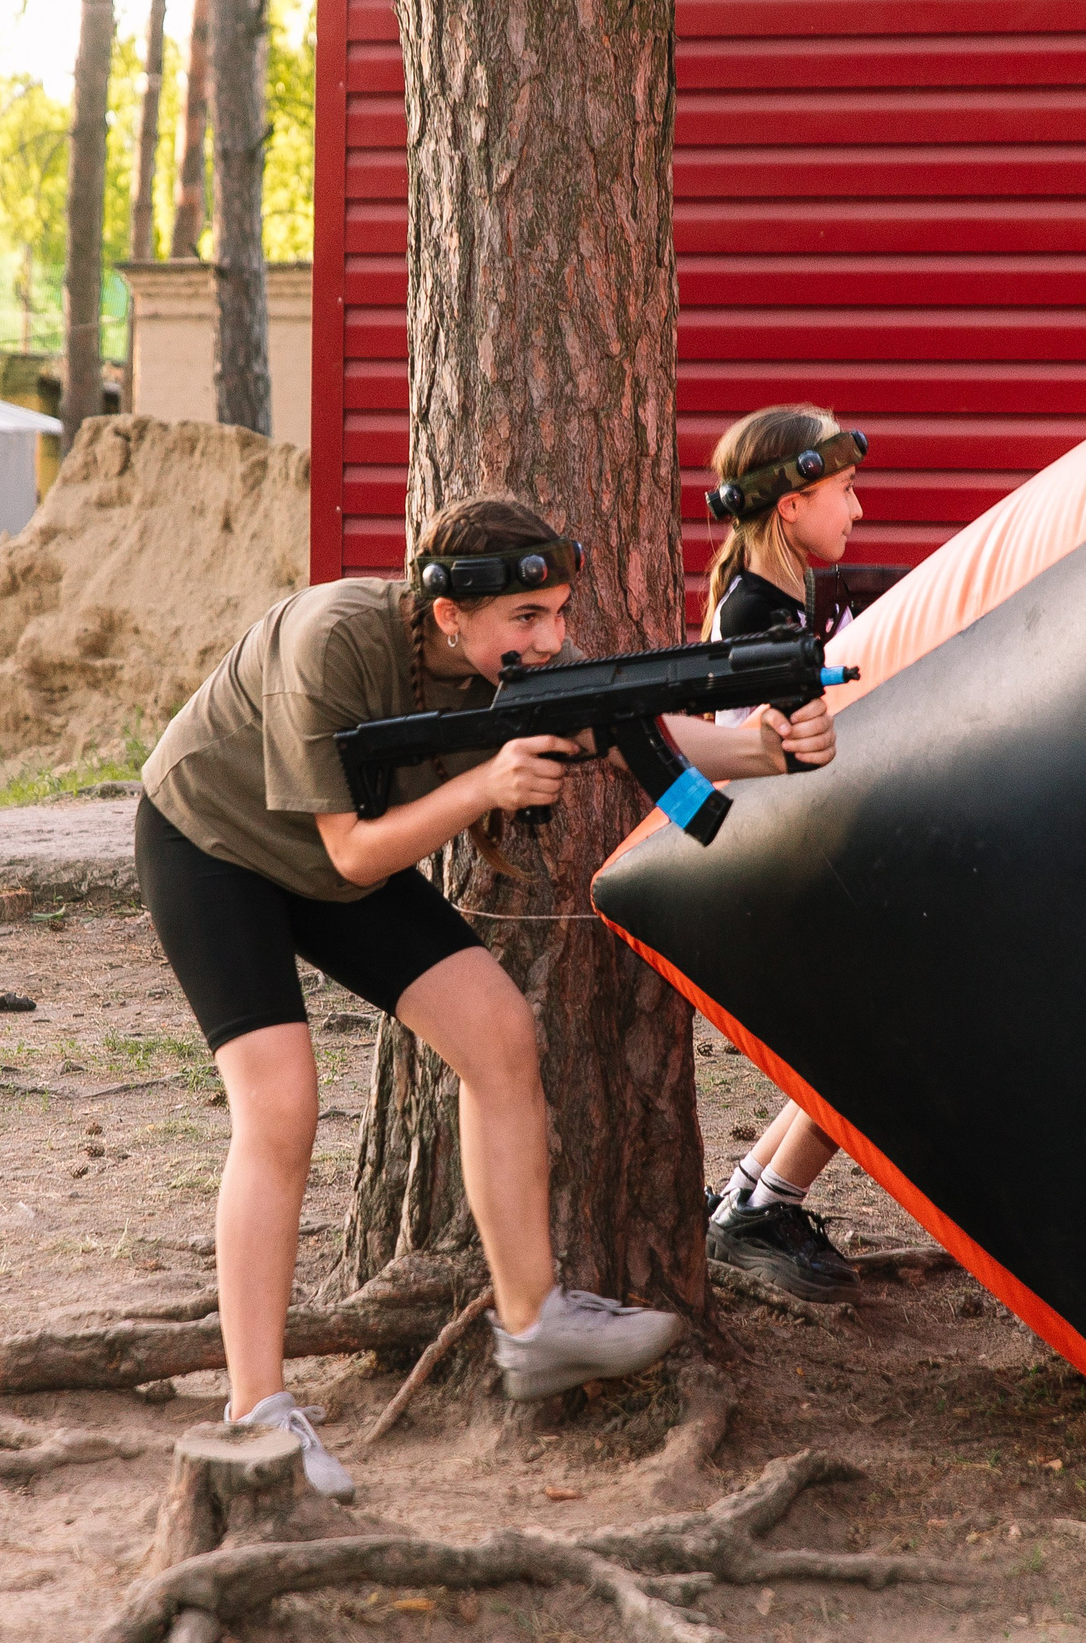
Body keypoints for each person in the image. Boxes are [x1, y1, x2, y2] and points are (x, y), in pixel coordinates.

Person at [135, 494, 838, 1501]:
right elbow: (350, 848)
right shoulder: (335, 640)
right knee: (280, 1107)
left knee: (500, 1033)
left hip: (341, 868)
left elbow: (654, 724)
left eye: (557, 613)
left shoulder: (524, 665)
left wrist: (772, 746)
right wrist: (489, 786)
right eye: (528, 620)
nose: (551, 639)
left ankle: (532, 1323)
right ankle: (258, 1411)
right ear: (448, 612)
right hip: (215, 846)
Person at [698, 404, 870, 1304]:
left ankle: (751, 1200)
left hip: (793, 860)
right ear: (791, 507)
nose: (860, 508)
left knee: (855, 1044)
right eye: (844, 491)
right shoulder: (758, 619)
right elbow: (781, 763)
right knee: (867, 1044)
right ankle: (761, 1207)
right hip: (769, 874)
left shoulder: (788, 598)